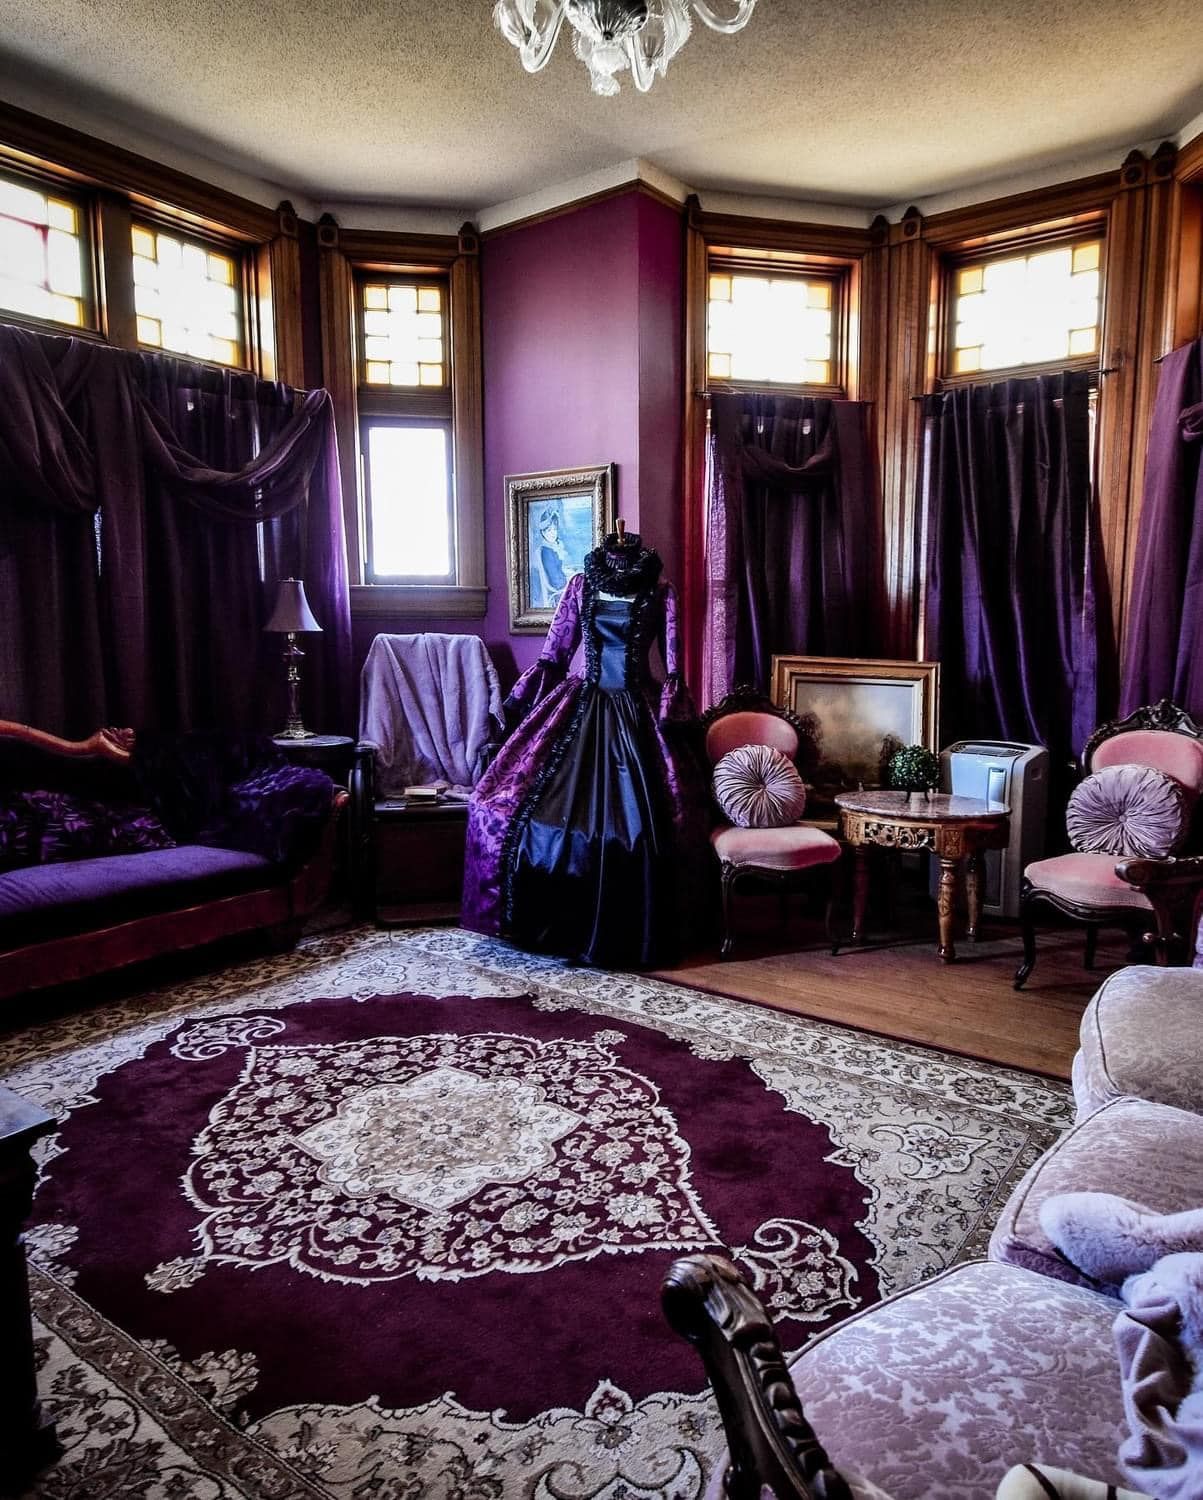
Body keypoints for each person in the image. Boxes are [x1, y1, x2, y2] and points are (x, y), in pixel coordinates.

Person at [463, 530, 703, 968]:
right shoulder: (580, 584)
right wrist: (525, 704)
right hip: (580, 704)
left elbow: (673, 661)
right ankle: (550, 922)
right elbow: (555, 652)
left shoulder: (661, 590)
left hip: (637, 710)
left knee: (640, 828)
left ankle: (627, 928)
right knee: (514, 808)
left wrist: (675, 715)